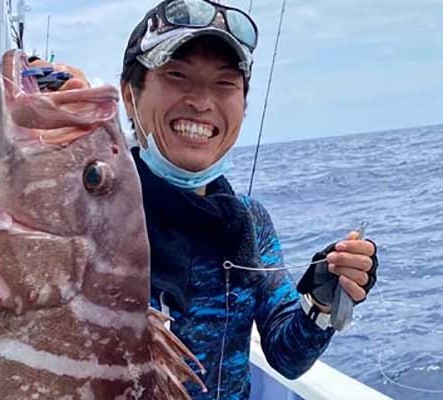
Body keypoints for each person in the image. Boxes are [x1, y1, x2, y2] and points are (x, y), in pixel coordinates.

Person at [119, 0, 379, 398]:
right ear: (129, 95)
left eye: (225, 84)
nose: (202, 102)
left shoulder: (249, 222)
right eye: (176, 75)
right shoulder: (91, 218)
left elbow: (287, 356)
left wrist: (321, 301)